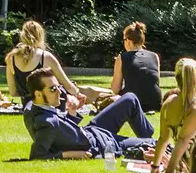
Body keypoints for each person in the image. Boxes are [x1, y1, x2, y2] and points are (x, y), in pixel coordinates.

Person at [23, 67, 155, 161]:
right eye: (53, 89)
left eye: (59, 87)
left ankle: (145, 138)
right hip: (100, 144)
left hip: (92, 130)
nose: (59, 92)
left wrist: (72, 113)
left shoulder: (33, 107)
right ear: (38, 94)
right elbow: (37, 156)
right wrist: (70, 154)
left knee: (129, 99)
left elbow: (62, 133)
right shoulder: (46, 122)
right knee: (156, 144)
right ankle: (149, 143)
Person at [151, 58, 196, 173]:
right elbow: (183, 140)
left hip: (182, 165)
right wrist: (169, 172)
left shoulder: (169, 102)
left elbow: (163, 138)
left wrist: (155, 167)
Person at [3, 20, 74, 103]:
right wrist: (78, 93)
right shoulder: (45, 57)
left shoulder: (11, 57)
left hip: (27, 103)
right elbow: (69, 87)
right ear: (41, 36)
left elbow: (13, 92)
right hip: (47, 101)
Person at [112, 22, 163, 114]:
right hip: (155, 103)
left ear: (129, 41)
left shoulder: (122, 58)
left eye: (124, 39)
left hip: (133, 103)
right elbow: (154, 81)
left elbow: (115, 89)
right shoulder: (154, 56)